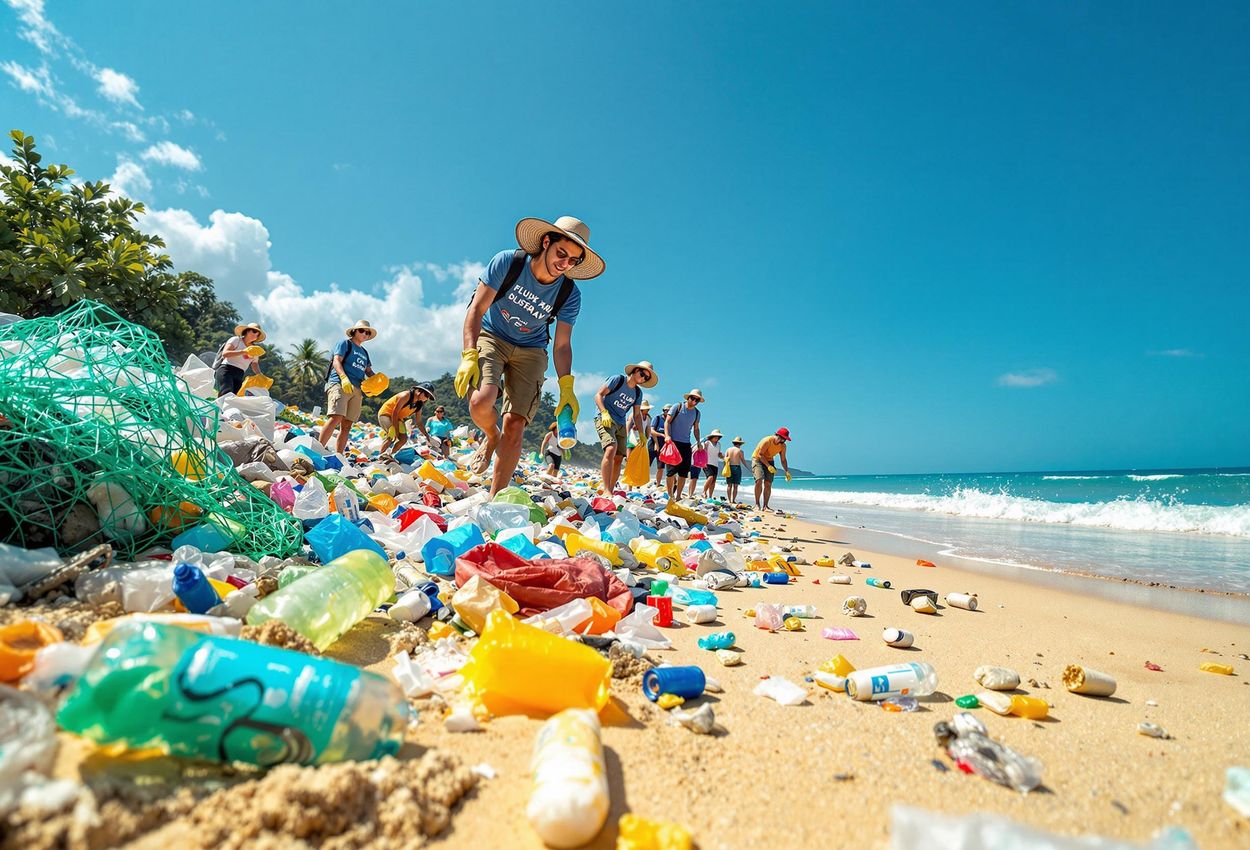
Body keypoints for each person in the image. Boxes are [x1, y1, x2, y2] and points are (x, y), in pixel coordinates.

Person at [454, 215, 605, 496]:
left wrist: (567, 387)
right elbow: (476, 309)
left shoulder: (570, 294)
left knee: (516, 423)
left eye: (573, 260)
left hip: (532, 350)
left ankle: (494, 499)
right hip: (492, 335)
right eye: (562, 253)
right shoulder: (508, 263)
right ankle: (491, 435)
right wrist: (469, 354)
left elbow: (561, 345)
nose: (565, 264)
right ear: (546, 242)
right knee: (481, 400)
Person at [594, 361, 658, 493]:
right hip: (604, 417)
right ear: (635, 371)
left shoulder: (638, 393)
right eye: (642, 374)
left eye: (646, 377)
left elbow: (637, 415)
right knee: (611, 448)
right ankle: (606, 490)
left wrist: (642, 434)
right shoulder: (617, 380)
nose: (643, 378)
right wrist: (604, 412)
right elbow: (598, 395)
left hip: (621, 422)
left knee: (619, 457)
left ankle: (610, 491)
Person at [319, 320, 377, 454]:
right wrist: (343, 378)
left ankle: (339, 455)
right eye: (362, 330)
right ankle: (318, 449)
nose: (365, 334)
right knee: (336, 417)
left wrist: (377, 381)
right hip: (340, 383)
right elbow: (336, 361)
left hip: (357, 388)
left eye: (367, 332)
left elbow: (368, 371)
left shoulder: (364, 352)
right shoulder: (345, 343)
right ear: (354, 331)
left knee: (347, 425)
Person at [664, 389, 704, 500]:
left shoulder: (697, 413)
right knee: (671, 472)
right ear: (688, 397)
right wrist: (667, 436)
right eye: (693, 398)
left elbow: (696, 429)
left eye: (697, 400)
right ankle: (670, 495)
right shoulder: (678, 406)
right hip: (673, 442)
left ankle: (678, 496)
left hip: (686, 444)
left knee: (683, 473)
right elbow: (667, 421)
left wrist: (699, 442)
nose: (694, 401)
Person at [378, 382, 436, 457]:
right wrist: (396, 429)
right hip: (386, 414)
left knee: (403, 439)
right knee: (392, 433)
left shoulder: (419, 404)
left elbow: (419, 422)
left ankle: (390, 455)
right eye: (426, 395)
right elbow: (395, 412)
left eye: (429, 397)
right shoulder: (405, 396)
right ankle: (380, 455)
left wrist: (427, 436)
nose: (426, 398)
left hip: (398, 418)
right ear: (419, 391)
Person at [213, 322, 265, 397]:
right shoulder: (236, 340)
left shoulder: (255, 349)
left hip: (240, 374)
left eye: (258, 334)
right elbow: (225, 353)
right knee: (226, 393)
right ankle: (218, 408)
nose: (256, 335)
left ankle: (220, 408)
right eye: (254, 331)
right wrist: (243, 351)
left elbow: (254, 364)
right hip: (227, 370)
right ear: (247, 331)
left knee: (234, 397)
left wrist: (260, 375)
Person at [752, 427, 793, 511]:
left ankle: (765, 506)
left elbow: (783, 459)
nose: (784, 441)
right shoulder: (767, 441)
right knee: (759, 480)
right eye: (783, 439)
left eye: (785, 439)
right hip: (758, 459)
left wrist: (786, 471)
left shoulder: (783, 446)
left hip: (770, 460)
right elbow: (760, 455)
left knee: (768, 483)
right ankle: (757, 504)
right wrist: (768, 466)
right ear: (778, 436)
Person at [650, 403, 671, 487]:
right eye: (665, 410)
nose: (666, 412)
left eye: (668, 411)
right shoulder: (657, 418)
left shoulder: (671, 421)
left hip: (664, 446)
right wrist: (657, 442)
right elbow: (652, 431)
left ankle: (658, 484)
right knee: (647, 464)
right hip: (653, 443)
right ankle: (639, 482)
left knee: (661, 467)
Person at [700, 430, 724, 499]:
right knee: (710, 477)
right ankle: (704, 492)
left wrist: (722, 456)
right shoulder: (707, 443)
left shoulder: (719, 444)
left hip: (715, 464)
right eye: (715, 437)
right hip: (707, 463)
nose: (717, 439)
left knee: (713, 482)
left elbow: (719, 454)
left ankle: (710, 496)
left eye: (718, 437)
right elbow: (702, 450)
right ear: (712, 437)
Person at [723, 436, 747, 504]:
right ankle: (733, 500)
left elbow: (725, 459)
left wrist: (725, 467)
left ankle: (729, 500)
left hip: (729, 467)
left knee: (729, 485)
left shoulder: (728, 449)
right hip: (737, 468)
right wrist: (748, 467)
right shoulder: (740, 451)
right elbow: (743, 460)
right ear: (740, 444)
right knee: (735, 486)